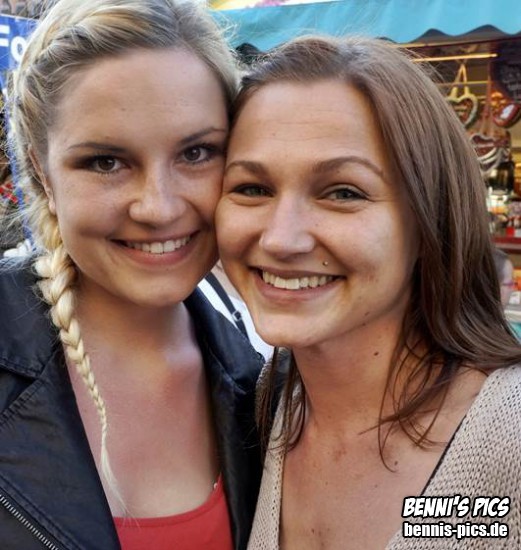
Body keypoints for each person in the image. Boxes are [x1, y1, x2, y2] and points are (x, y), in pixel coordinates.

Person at [216, 36, 521, 549]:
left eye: (343, 192)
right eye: (253, 189)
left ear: (429, 219)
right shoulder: (266, 403)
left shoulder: (509, 436)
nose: (281, 239)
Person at [0, 1, 263, 548]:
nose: (158, 208)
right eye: (105, 162)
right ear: (43, 173)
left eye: (196, 152)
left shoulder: (263, 380)